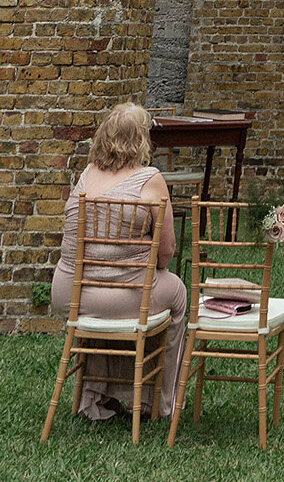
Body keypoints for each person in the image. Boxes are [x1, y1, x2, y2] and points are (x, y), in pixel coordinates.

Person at [50, 100, 188, 425]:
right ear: (141, 138)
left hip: (68, 293)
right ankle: (158, 403)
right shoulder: (150, 179)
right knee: (177, 294)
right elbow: (166, 253)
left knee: (114, 299)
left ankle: (97, 396)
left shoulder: (85, 176)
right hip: (119, 298)